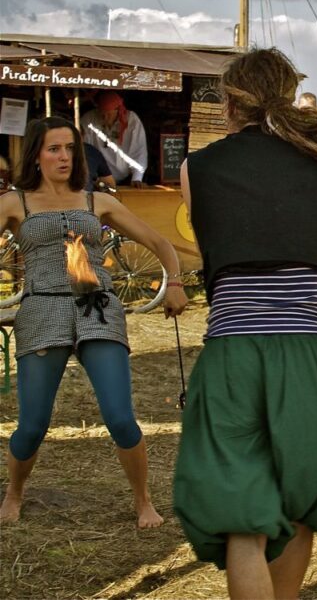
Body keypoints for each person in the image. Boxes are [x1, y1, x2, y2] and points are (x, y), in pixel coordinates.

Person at [173, 47, 317, 599]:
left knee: (241, 514)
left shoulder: (196, 168)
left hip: (232, 350)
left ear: (228, 103)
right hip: (303, 349)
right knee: (299, 504)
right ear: (289, 98)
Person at [0, 116, 188, 527]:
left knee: (120, 416)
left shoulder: (95, 201)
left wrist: (173, 281)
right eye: (54, 149)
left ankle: (143, 502)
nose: (64, 156)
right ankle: (14, 493)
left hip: (97, 306)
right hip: (42, 308)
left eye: (70, 148)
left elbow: (159, 242)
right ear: (36, 154)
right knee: (32, 425)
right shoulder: (15, 203)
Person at [81, 91, 148, 188]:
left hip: (126, 178)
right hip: (98, 179)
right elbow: (85, 150)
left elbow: (139, 151)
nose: (104, 118)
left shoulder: (132, 121)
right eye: (102, 114)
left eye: (108, 114)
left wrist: (137, 177)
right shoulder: (88, 119)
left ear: (118, 111)